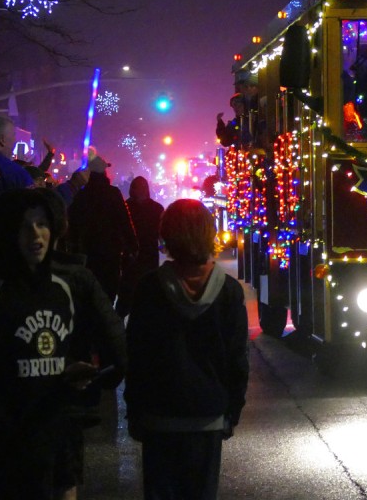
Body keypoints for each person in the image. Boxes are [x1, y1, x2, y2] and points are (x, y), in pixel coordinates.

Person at [0, 188, 126, 500]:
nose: (35, 233)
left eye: (42, 224)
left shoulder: (71, 283)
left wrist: (93, 375)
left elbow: (116, 343)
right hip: (8, 435)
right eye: (25, 226)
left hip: (58, 427)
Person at [125, 199, 249, 500]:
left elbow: (136, 357)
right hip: (208, 415)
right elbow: (237, 360)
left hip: (159, 416)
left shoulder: (149, 288)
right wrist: (232, 410)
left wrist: (135, 411)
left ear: (166, 236)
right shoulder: (229, 291)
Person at [67, 155, 139, 309]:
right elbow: (124, 221)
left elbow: (72, 224)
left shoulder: (81, 195)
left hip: (87, 253)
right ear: (104, 173)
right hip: (110, 253)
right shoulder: (113, 193)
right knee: (107, 293)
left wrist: (73, 249)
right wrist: (133, 245)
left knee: (88, 297)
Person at [122, 176, 165, 319]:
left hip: (130, 257)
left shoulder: (125, 207)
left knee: (127, 295)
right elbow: (162, 233)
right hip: (149, 255)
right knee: (149, 292)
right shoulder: (157, 208)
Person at [0, 115, 35, 211]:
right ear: (3, 140)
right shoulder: (17, 173)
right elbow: (32, 210)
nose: (15, 141)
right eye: (14, 135)